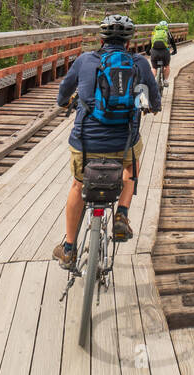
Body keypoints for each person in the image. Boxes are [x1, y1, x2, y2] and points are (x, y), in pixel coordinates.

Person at [52, 14, 160, 268]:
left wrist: (66, 102)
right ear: (129, 41)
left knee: (78, 186)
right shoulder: (139, 64)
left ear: (101, 39)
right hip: (124, 142)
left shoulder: (85, 60)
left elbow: (63, 94)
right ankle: (121, 214)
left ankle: (68, 249)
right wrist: (150, 107)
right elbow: (154, 100)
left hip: (85, 141)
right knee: (131, 170)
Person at [149, 20, 178, 88]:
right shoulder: (167, 32)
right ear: (166, 27)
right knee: (167, 66)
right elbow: (172, 42)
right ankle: (165, 80)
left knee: (154, 68)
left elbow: (150, 42)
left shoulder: (154, 32)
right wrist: (175, 50)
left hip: (154, 52)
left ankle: (151, 82)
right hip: (165, 52)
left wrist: (148, 51)